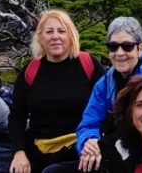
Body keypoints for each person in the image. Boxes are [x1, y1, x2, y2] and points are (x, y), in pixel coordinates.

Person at [47, 16, 142, 173]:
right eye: (113, 47)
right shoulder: (105, 84)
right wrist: (90, 142)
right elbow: (89, 122)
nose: (119, 53)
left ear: (140, 49)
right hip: (116, 152)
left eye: (127, 46)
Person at [11, 10, 109, 173]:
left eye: (61, 31)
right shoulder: (30, 71)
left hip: (81, 148)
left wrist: (95, 141)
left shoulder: (88, 65)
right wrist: (18, 152)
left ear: (71, 35)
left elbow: (108, 107)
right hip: (38, 150)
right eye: (49, 32)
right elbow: (16, 117)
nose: (55, 37)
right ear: (40, 38)